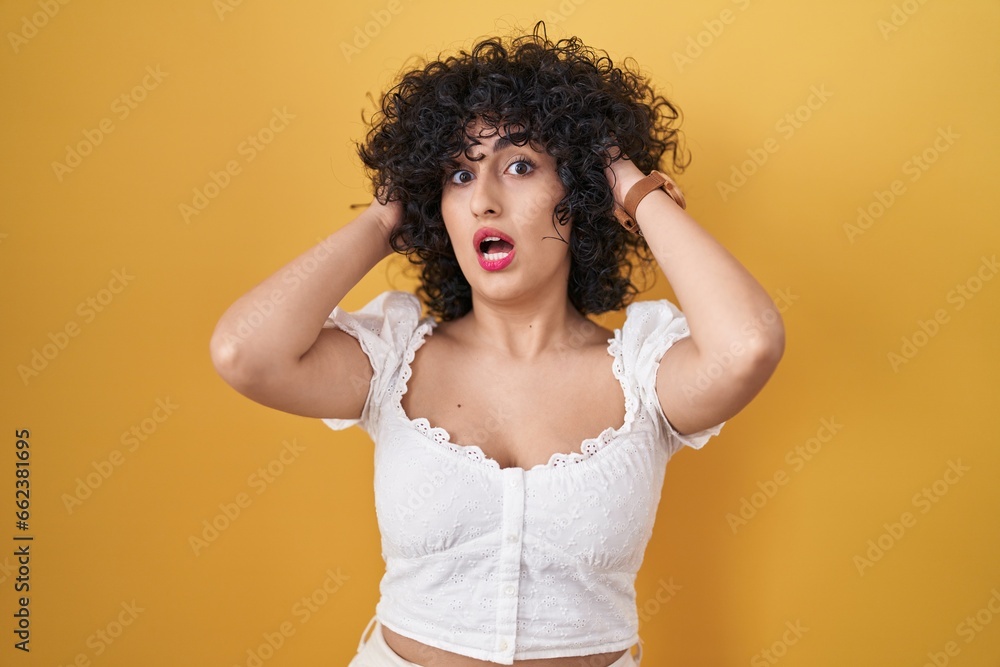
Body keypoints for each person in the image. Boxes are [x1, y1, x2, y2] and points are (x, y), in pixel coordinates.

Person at [210, 22, 784, 667]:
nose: (483, 199)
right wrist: (385, 219)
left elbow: (749, 346)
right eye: (457, 175)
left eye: (519, 165)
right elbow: (243, 352)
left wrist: (631, 185)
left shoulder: (644, 372)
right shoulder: (394, 359)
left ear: (580, 192)